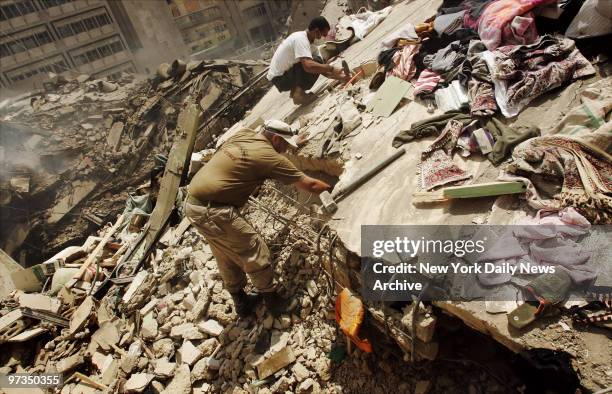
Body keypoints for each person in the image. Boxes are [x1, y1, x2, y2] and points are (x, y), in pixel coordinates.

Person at [185, 120, 330, 318]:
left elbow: (256, 152)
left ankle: (242, 303)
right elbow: (310, 185)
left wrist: (292, 141)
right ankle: (273, 301)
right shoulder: (269, 158)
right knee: (254, 249)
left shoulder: (245, 134)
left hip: (193, 204)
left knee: (225, 253)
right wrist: (336, 191)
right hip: (215, 211)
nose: (285, 150)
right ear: (276, 139)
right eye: (285, 145)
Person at [267, 16, 350, 105]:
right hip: (280, 78)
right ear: (317, 31)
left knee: (318, 62)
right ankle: (298, 95)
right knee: (311, 63)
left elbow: (321, 70)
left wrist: (341, 76)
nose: (324, 38)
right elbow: (308, 67)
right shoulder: (300, 39)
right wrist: (331, 68)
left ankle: (295, 91)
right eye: (323, 35)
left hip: (285, 75)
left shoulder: (312, 46)